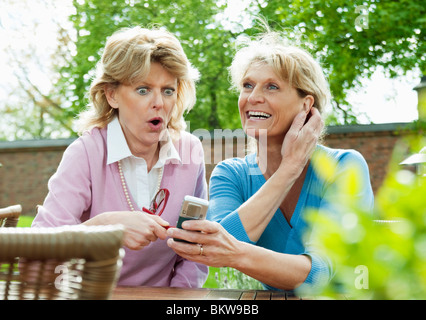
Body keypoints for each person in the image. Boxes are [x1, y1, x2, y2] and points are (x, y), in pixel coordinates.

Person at [167, 31, 374, 291]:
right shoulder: (231, 174)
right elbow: (213, 249)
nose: (253, 97)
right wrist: (288, 169)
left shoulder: (344, 167)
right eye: (247, 85)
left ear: (305, 105)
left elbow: (319, 274)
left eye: (272, 86)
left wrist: (234, 252)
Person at [32, 26, 208, 288]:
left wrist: (175, 299)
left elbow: (194, 253)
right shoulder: (86, 153)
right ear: (111, 94)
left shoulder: (190, 151)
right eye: (143, 90)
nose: (159, 102)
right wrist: (105, 226)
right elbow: (35, 256)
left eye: (168, 90)